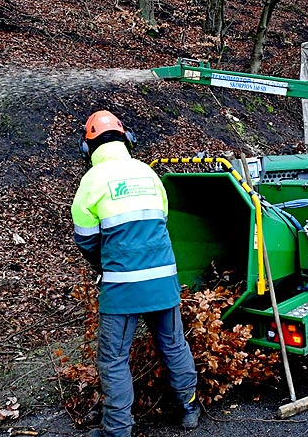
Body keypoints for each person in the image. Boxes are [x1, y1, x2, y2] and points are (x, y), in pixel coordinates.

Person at [71, 110, 199, 437]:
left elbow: (86, 239)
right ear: (127, 140)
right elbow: (161, 222)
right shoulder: (149, 174)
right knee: (173, 345)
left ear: (88, 149)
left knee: (113, 359)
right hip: (163, 280)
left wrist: (105, 265)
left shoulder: (92, 182)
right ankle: (189, 408)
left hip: (123, 287)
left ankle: (117, 429)